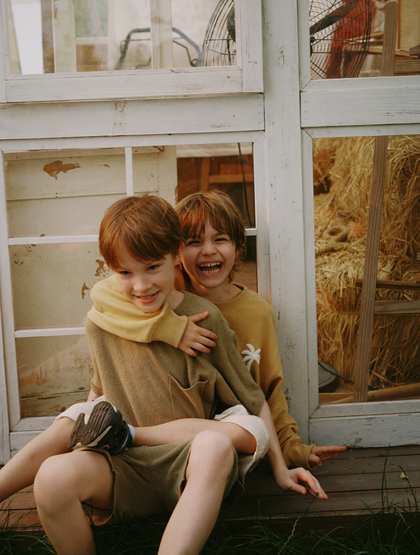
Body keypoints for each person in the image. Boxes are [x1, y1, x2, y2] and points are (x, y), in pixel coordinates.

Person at [0, 195, 325, 555]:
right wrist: (82, 441)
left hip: (192, 466)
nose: (141, 286)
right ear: (111, 269)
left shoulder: (204, 319)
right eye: (125, 272)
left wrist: (280, 469)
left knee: (216, 444)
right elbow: (99, 392)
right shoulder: (102, 324)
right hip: (124, 467)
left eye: (153, 267)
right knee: (50, 476)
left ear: (176, 255)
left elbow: (252, 396)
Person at [91, 190, 346, 469]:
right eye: (194, 241)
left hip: (231, 442)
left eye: (220, 239)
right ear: (178, 252)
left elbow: (266, 391)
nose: (208, 250)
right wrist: (172, 327)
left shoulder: (256, 313)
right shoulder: (161, 296)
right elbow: (102, 293)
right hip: (169, 443)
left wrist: (291, 449)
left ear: (238, 247)